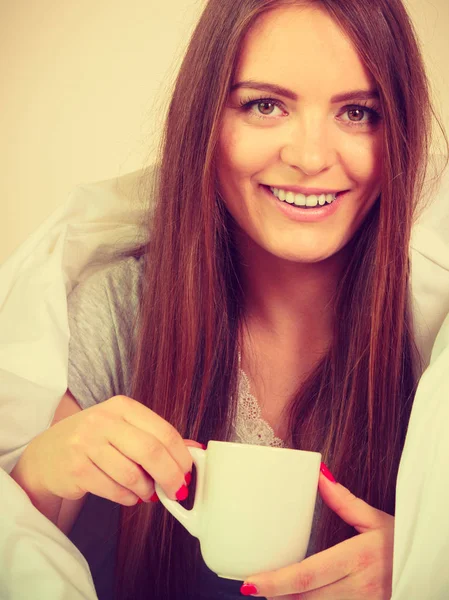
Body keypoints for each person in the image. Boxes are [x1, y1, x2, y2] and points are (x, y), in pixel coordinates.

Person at [9, 0, 448, 598]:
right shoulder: (119, 311)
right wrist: (39, 474)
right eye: (265, 105)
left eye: (357, 112)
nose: (311, 157)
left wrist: (425, 565)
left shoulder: (431, 347)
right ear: (205, 122)